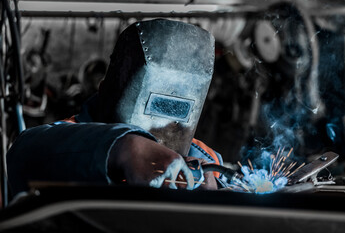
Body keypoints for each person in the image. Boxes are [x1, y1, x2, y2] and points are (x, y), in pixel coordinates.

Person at [6, 19, 224, 199]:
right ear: (103, 89)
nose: (161, 124)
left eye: (177, 109)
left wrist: (218, 197)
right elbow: (23, 154)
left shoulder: (203, 158)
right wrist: (125, 148)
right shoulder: (62, 137)